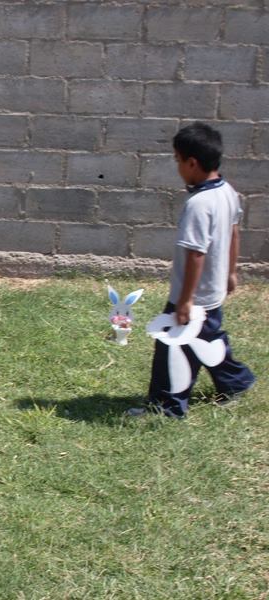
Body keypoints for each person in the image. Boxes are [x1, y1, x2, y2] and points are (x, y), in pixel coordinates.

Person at [129, 122, 256, 418]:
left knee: (173, 347)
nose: (177, 167)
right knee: (206, 338)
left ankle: (166, 406)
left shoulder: (199, 204)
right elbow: (234, 232)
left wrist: (185, 300)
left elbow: (196, 254)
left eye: (177, 160)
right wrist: (231, 272)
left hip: (193, 295)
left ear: (192, 163)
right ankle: (236, 381)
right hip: (212, 290)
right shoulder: (227, 191)